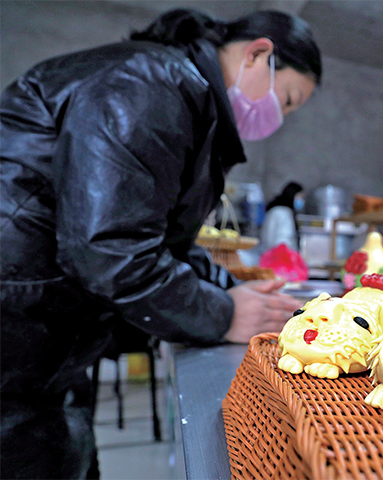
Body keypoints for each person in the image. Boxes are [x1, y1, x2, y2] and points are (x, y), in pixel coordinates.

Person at [0, 8, 321, 479]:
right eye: (287, 100)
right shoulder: (145, 85)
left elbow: (160, 236)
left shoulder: (179, 98)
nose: (280, 117)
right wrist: (223, 313)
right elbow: (108, 249)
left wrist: (230, 289)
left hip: (44, 344)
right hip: (17, 331)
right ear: (258, 54)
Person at [260, 181, 305, 252]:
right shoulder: (283, 213)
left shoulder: (276, 210)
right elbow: (283, 239)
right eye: (299, 196)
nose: (301, 200)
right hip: (280, 254)